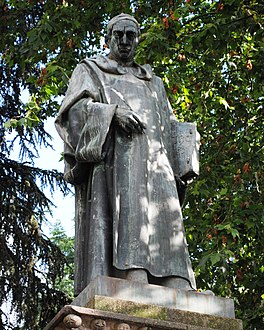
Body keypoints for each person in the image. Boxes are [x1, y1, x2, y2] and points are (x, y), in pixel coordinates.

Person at [55, 13, 198, 296]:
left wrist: (186, 150)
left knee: (165, 213)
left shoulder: (153, 81)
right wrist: (110, 114)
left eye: (130, 36)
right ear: (107, 38)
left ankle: (176, 277)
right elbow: (72, 114)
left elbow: (169, 123)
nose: (123, 41)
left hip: (159, 162)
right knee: (130, 208)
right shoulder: (91, 70)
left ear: (137, 39)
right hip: (117, 160)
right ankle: (133, 274)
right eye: (117, 35)